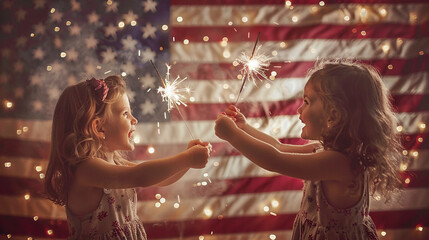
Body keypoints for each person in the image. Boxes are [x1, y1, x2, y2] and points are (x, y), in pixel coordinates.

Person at [214, 59, 403, 239]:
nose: (299, 110)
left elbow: (275, 160)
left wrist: (232, 135)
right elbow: (278, 147)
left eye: (307, 101)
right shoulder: (325, 151)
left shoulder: (338, 162)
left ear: (333, 115)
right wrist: (244, 128)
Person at [45, 75, 211, 239]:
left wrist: (188, 161)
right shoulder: (86, 170)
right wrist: (187, 158)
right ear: (99, 127)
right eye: (125, 114)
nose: (134, 119)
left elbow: (161, 179)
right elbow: (141, 176)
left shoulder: (115, 162)